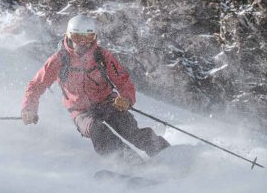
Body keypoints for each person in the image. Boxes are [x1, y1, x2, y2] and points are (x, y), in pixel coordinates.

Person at [21, 15, 170, 164]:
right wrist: (29, 108)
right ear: (69, 36)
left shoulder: (102, 56)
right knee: (97, 130)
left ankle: (169, 154)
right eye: (78, 37)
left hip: (108, 103)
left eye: (89, 38)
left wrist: (127, 99)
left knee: (130, 130)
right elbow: (36, 85)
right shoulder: (59, 60)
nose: (84, 43)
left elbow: (123, 80)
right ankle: (131, 164)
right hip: (81, 112)